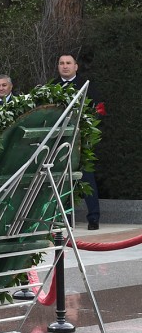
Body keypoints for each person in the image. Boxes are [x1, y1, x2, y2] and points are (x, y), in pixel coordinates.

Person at [54, 53, 100, 229]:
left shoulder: (86, 86)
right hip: (60, 141)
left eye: (68, 63)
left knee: (87, 178)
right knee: (62, 179)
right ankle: (64, 216)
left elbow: (96, 112)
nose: (64, 66)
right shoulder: (53, 86)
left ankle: (93, 217)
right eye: (61, 63)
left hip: (82, 140)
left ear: (76, 67)